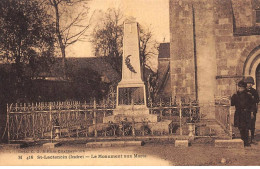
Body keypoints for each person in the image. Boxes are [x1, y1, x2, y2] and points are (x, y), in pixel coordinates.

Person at [231, 80, 253, 147]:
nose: (240, 89)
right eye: (239, 87)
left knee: (246, 128)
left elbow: (251, 105)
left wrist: (252, 113)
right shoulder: (235, 95)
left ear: (244, 88)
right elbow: (232, 103)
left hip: (246, 113)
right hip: (239, 113)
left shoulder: (248, 95)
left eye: (241, 88)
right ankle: (243, 140)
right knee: (241, 127)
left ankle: (245, 142)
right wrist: (232, 97)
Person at [244, 76, 259, 144]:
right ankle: (246, 139)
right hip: (245, 111)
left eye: (251, 83)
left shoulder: (254, 91)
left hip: (253, 110)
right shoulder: (243, 91)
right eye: (248, 83)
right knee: (246, 125)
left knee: (252, 125)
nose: (249, 84)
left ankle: (252, 138)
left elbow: (257, 100)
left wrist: (252, 97)